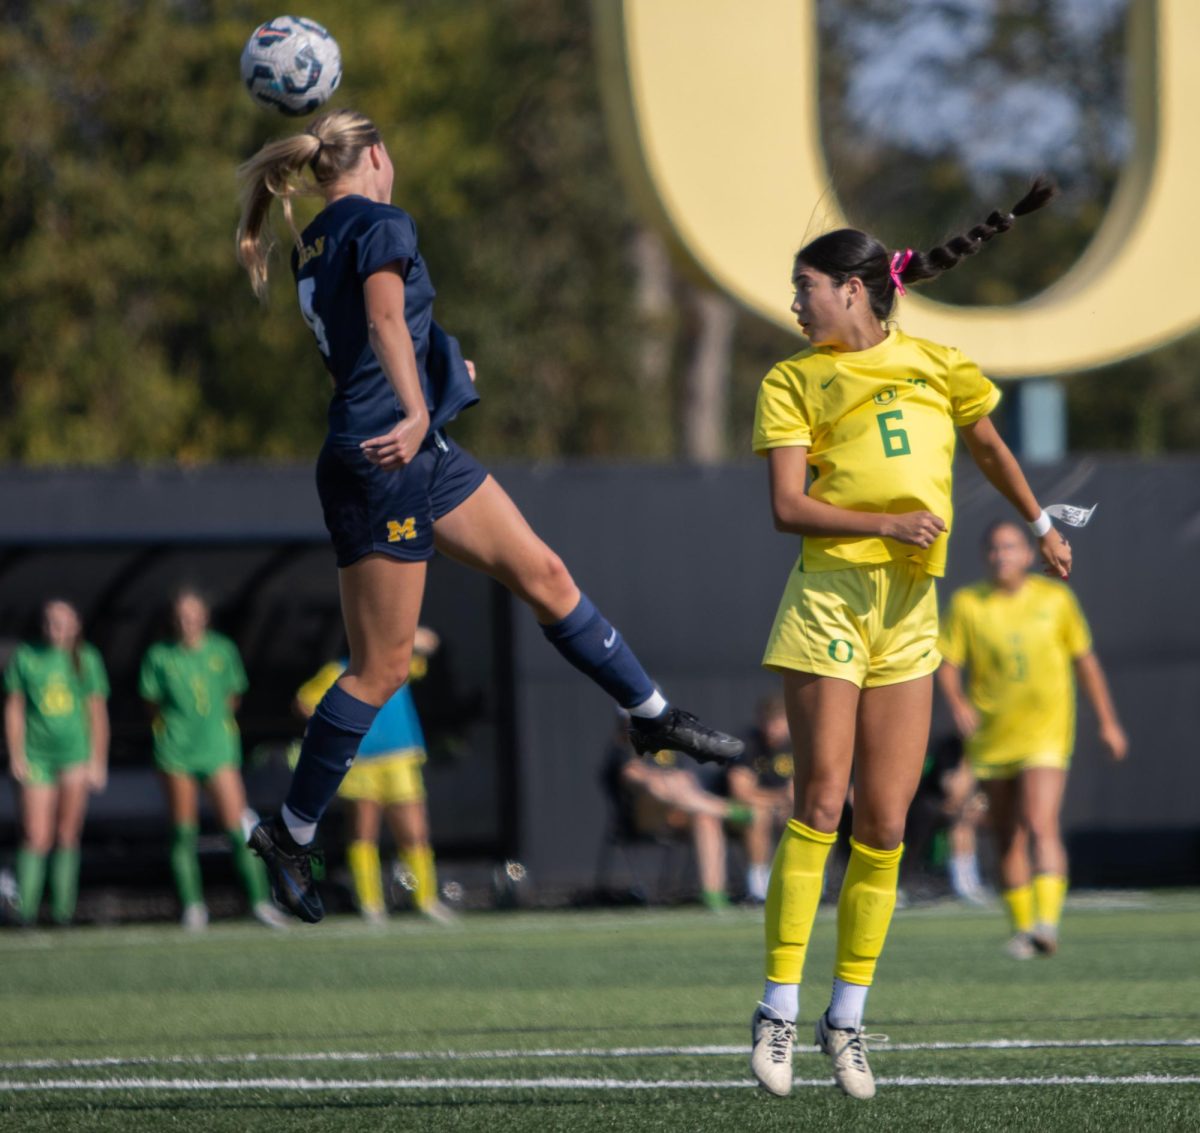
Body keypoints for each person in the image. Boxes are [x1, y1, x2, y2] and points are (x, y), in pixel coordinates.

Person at [234, 108, 743, 924]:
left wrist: (436, 384)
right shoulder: (379, 220)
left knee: (544, 574)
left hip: (415, 449)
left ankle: (652, 716)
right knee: (380, 669)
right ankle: (289, 834)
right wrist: (412, 406)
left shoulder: (316, 239)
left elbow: (385, 337)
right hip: (388, 457)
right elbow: (385, 322)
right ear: (378, 158)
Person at [746, 179, 1074, 1101]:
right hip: (831, 600)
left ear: (853, 288)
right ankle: (775, 1003)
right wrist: (886, 524)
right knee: (819, 802)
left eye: (805, 286)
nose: (796, 301)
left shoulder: (939, 362)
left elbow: (991, 450)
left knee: (887, 822)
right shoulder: (792, 379)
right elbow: (786, 507)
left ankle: (844, 1018)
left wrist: (1041, 521)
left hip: (908, 614)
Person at [937, 520, 1128, 957]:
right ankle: (1024, 930)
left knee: (1041, 822)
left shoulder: (1055, 599)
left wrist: (1108, 722)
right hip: (993, 737)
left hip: (1046, 732)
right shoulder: (969, 604)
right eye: (993, 548)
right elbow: (947, 662)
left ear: (1028, 554)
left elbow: (1085, 662)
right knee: (1007, 833)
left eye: (1010, 547)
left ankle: (1047, 922)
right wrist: (958, 702)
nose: (1001, 555)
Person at [139, 589, 285, 930]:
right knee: (183, 830)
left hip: (218, 749)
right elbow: (152, 703)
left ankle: (260, 902)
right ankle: (193, 906)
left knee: (239, 826)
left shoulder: (222, 649)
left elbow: (233, 695)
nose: (187, 622)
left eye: (193, 615)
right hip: (176, 751)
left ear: (204, 617)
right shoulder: (160, 656)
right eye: (181, 616)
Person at [294, 626, 454, 924]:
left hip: (400, 758)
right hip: (361, 763)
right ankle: (370, 903)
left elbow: (431, 642)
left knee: (414, 833)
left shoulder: (396, 666)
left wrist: (401, 631)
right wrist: (333, 732)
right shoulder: (340, 671)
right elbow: (305, 702)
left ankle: (426, 900)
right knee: (363, 834)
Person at [3, 600, 109, 926]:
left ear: (76, 625)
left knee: (67, 834)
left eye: (63, 623)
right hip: (37, 756)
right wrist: (16, 755)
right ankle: (26, 912)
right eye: (50, 623)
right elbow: (14, 709)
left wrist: (97, 760)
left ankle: (63, 912)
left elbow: (96, 713)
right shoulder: (25, 657)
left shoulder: (86, 659)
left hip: (74, 757)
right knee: (36, 834)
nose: (56, 630)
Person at [602, 719, 752, 911]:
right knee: (657, 783)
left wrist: (673, 782)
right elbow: (633, 778)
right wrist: (662, 779)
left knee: (705, 819)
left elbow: (687, 781)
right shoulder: (622, 750)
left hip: (678, 812)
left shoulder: (666, 747)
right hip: (644, 817)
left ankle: (713, 893)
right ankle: (725, 809)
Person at [727, 694, 794, 904]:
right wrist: (778, 800)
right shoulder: (747, 743)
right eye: (767, 721)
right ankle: (758, 888)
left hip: (788, 809)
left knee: (811, 817)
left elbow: (802, 791)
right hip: (740, 812)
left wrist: (787, 801)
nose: (771, 728)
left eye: (777, 721)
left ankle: (813, 885)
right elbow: (741, 791)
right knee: (758, 814)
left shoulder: (803, 744)